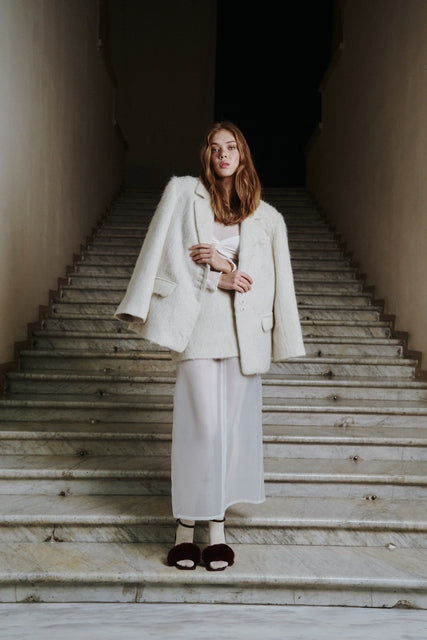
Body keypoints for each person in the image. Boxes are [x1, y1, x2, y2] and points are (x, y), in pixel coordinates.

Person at [114, 121, 305, 571]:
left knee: (230, 431)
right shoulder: (184, 194)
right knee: (202, 427)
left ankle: (216, 529)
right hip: (197, 327)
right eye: (215, 147)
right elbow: (165, 252)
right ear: (207, 154)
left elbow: (269, 284)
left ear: (242, 154)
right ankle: (185, 528)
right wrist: (215, 277)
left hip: (243, 334)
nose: (223, 154)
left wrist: (225, 264)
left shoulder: (268, 218)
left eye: (231, 147)